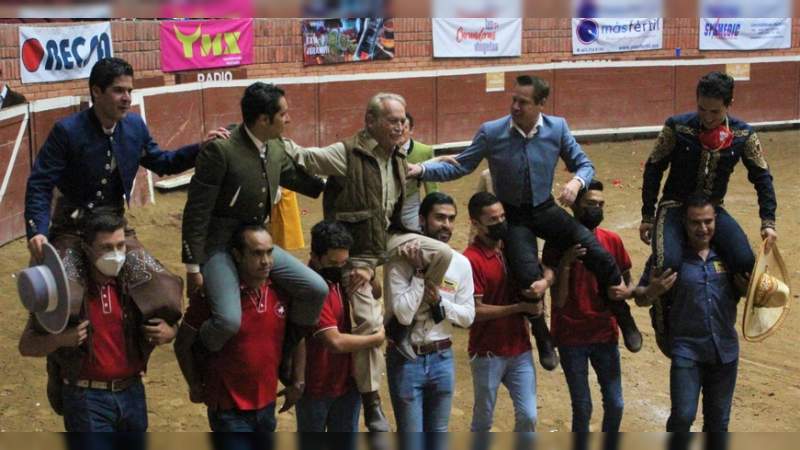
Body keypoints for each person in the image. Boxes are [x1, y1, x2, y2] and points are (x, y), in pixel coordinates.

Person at [407, 74, 631, 369]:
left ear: (540, 104)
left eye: (522, 102)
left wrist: (577, 183)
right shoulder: (492, 131)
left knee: (597, 251)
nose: (514, 106)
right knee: (527, 278)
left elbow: (584, 164)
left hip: (546, 208)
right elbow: (462, 165)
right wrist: (421, 170)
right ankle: (542, 335)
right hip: (514, 216)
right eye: (514, 100)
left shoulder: (557, 128)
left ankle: (622, 312)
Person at [283, 92, 454, 431]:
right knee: (366, 322)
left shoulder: (399, 157)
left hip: (385, 240)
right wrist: (267, 140)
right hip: (355, 253)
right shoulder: (346, 153)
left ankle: (401, 328)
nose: (400, 126)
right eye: (392, 120)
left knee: (443, 253)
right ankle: (372, 399)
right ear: (370, 122)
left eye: (403, 120)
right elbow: (305, 158)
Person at [181, 82, 329, 372]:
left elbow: (291, 175)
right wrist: (193, 268)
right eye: (283, 114)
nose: (289, 119)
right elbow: (197, 211)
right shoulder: (221, 151)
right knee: (227, 320)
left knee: (315, 288)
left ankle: (283, 354)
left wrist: (330, 183)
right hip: (220, 245)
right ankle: (197, 356)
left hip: (257, 243)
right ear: (263, 119)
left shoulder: (273, 147)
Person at [25, 57, 228, 263]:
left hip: (115, 228)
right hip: (71, 228)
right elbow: (40, 185)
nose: (127, 98)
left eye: (129, 91)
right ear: (96, 91)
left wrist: (200, 149)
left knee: (162, 290)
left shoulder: (135, 127)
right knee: (70, 290)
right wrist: (37, 231)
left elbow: (163, 163)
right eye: (118, 90)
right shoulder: (67, 131)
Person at [18, 213, 179, 436]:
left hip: (132, 392)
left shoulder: (137, 286)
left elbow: (170, 325)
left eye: (121, 245)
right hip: (86, 399)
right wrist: (59, 339)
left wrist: (170, 332)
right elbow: (26, 345)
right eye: (106, 248)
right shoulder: (66, 294)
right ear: (87, 248)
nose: (116, 255)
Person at [633, 194, 748, 449]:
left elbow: (748, 294)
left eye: (708, 221)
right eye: (695, 222)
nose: (703, 228)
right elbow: (640, 298)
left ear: (716, 220)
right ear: (684, 223)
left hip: (725, 352)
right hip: (687, 351)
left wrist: (749, 290)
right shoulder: (668, 258)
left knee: (719, 423)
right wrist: (652, 291)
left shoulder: (728, 256)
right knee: (683, 416)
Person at [640, 71, 777, 280]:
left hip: (712, 210)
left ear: (730, 103)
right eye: (701, 109)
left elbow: (762, 177)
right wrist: (648, 215)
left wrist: (768, 222)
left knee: (746, 263)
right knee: (666, 265)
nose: (707, 117)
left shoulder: (744, 135)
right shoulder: (676, 127)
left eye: (715, 111)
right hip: (675, 205)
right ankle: (663, 313)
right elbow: (654, 168)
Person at [175, 224, 297, 444]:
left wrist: (298, 381)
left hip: (267, 404)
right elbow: (182, 343)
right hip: (228, 408)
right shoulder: (216, 298)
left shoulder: (282, 291)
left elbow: (299, 334)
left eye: (269, 252)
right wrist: (194, 383)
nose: (266, 261)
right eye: (257, 253)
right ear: (238, 255)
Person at [541, 180, 635, 433]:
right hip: (571, 336)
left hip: (604, 332)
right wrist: (567, 264)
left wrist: (627, 291)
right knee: (582, 407)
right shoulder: (557, 244)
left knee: (615, 404)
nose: (596, 209)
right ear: (575, 207)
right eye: (590, 204)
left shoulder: (612, 240)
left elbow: (627, 279)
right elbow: (558, 301)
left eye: (600, 204)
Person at [384, 192, 475, 444]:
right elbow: (402, 313)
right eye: (439, 218)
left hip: (442, 358)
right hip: (406, 359)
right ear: (422, 220)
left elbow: (468, 317)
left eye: (451, 219)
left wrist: (440, 303)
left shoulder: (461, 263)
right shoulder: (400, 260)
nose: (446, 225)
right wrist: (420, 274)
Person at [296, 220, 386, 450]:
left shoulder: (339, 276)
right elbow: (334, 342)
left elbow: (376, 292)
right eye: (333, 262)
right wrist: (375, 340)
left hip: (347, 383)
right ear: (315, 256)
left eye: (344, 261)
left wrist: (369, 274)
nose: (340, 267)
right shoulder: (311, 288)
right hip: (317, 387)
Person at [463, 191, 547, 433]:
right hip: (487, 352)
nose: (500, 223)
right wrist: (519, 308)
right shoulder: (470, 260)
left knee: (529, 416)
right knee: (483, 420)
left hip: (519, 348)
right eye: (492, 220)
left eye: (502, 217)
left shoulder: (514, 249)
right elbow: (474, 312)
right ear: (476, 224)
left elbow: (544, 270)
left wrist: (547, 279)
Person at [400, 112, 439, 230]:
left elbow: (431, 186)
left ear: (411, 130)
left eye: (404, 127)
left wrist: (434, 211)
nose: (400, 130)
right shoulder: (383, 149)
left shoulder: (424, 151)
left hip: (410, 204)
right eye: (397, 127)